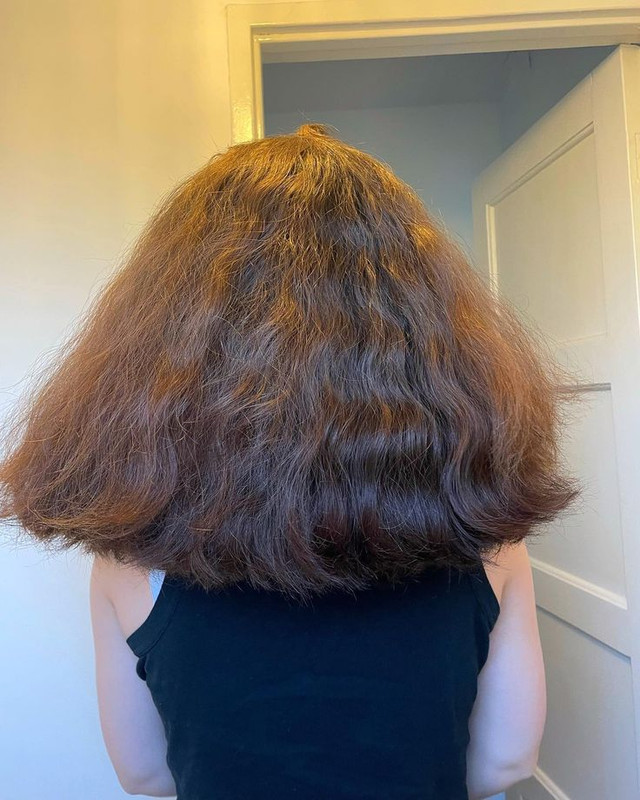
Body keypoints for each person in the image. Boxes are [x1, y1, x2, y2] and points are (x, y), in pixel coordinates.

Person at [0, 123, 581, 799]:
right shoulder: (491, 545)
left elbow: (146, 774)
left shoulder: (130, 565)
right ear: (425, 332)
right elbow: (506, 761)